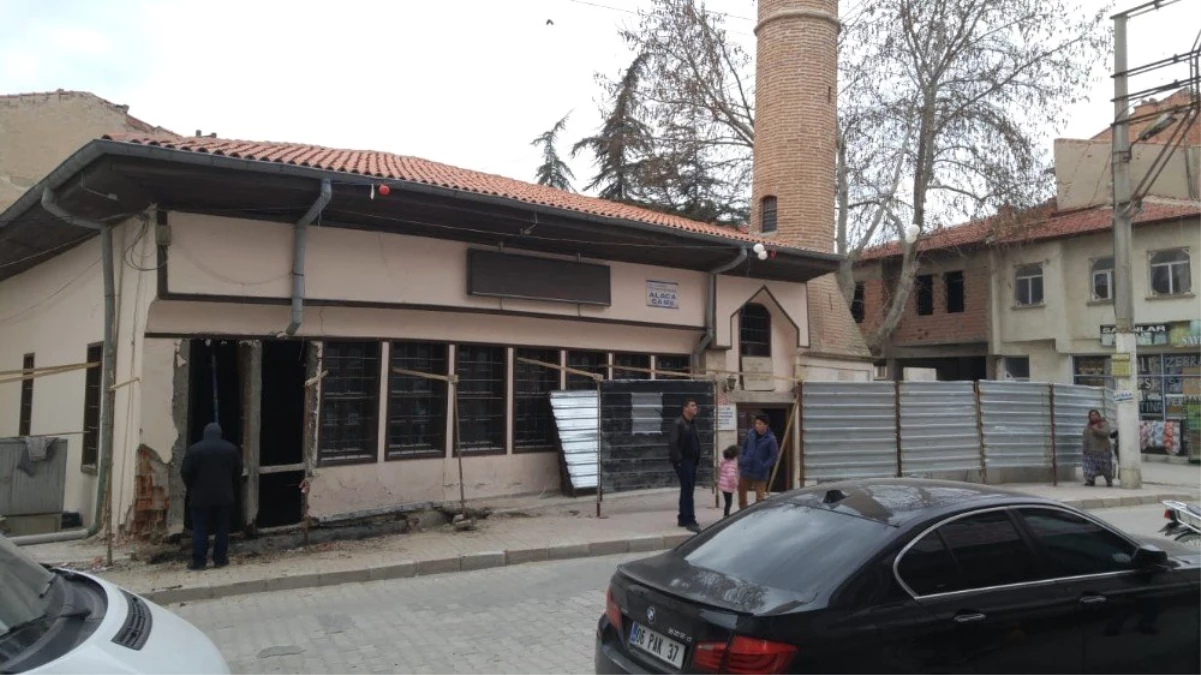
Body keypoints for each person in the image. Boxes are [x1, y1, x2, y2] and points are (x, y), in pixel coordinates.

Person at [181, 422, 243, 570]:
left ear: (205, 434)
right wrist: (229, 484)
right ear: (220, 434)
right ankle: (220, 560)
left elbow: (185, 472)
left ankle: (199, 562)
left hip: (200, 497)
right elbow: (238, 471)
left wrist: (192, 486)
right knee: (222, 529)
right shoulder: (231, 449)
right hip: (224, 496)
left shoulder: (194, 450)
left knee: (200, 529)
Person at [668, 399, 702, 533]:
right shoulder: (678, 423)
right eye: (692, 405)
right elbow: (673, 443)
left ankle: (682, 517)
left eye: (695, 405)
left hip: (692, 461)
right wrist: (679, 461)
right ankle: (690, 520)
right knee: (688, 490)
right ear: (685, 408)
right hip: (684, 462)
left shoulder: (692, 423)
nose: (695, 408)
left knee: (687, 489)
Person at [738, 413, 779, 509]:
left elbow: (773, 456)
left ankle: (757, 513)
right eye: (756, 423)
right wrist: (742, 459)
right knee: (741, 490)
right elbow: (744, 447)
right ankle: (743, 510)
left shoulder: (771, 439)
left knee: (760, 497)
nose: (757, 425)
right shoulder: (750, 434)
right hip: (746, 468)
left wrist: (763, 466)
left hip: (760, 471)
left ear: (766, 425)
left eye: (760, 424)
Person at [1083, 409, 1115, 487]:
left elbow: (1106, 433)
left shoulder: (1103, 424)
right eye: (1091, 415)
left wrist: (1095, 429)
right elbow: (1085, 437)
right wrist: (1085, 448)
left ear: (1098, 416)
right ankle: (1090, 481)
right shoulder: (1088, 426)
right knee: (1090, 468)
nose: (1093, 416)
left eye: (1095, 414)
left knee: (1106, 468)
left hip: (1103, 451)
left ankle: (1109, 481)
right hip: (1090, 451)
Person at [718, 445, 739, 518]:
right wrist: (735, 484)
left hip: (723, 485)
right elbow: (731, 476)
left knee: (727, 501)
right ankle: (726, 515)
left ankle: (726, 514)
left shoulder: (724, 462)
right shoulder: (731, 464)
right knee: (729, 502)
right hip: (728, 486)